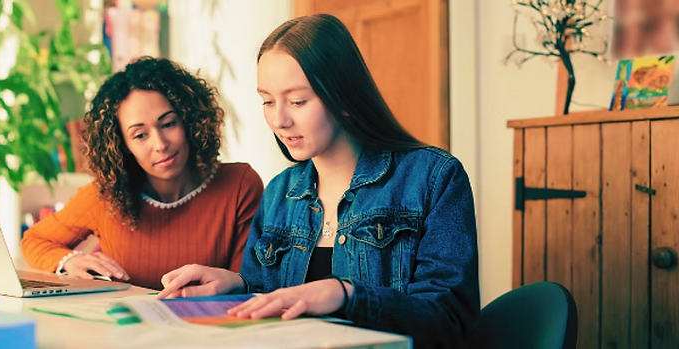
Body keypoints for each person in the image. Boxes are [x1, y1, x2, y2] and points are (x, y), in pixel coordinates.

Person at [157, 14, 479, 348]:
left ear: (343, 97)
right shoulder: (280, 194)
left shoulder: (433, 177)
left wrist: (345, 294)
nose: (279, 120)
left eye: (297, 101)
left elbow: (449, 321)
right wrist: (237, 284)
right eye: (267, 101)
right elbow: (268, 302)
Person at [21, 57, 264, 291]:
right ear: (122, 145)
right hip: (124, 330)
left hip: (211, 327)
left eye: (168, 124)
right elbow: (35, 241)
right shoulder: (105, 196)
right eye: (140, 135)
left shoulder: (239, 186)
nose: (160, 144)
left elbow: (248, 282)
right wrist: (70, 261)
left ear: (189, 120)